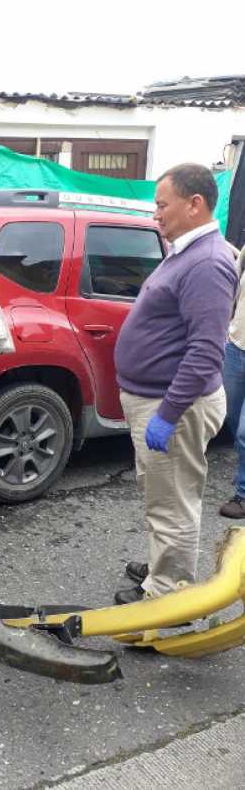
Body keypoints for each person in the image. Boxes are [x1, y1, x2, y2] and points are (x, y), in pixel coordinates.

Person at [113, 163, 238, 604]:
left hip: (175, 407)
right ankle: (163, 567)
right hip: (158, 400)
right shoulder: (187, 251)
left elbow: (205, 352)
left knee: (174, 503)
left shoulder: (207, 263)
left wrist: (168, 414)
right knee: (161, 495)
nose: (156, 214)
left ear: (194, 204)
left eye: (162, 205)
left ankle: (169, 597)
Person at [219, 243, 245, 518]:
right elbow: (232, 287)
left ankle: (243, 495)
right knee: (232, 419)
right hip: (237, 348)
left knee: (244, 431)